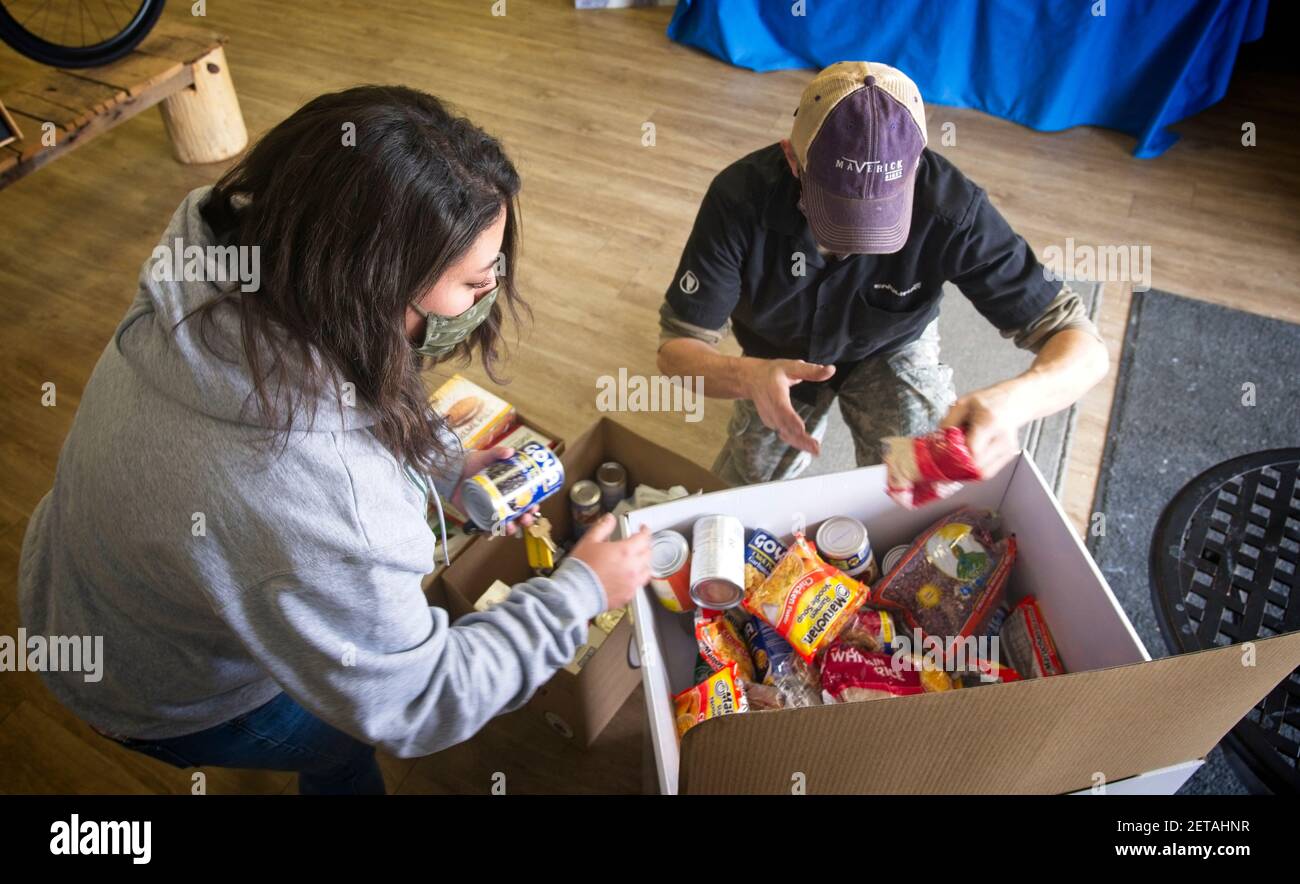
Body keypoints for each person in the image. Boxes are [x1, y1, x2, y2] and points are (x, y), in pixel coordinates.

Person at [18, 85, 651, 794]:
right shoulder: (326, 503)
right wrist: (579, 592)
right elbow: (422, 702)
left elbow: (342, 391)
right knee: (343, 751)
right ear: (374, 290)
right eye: (475, 282)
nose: (489, 294)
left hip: (74, 582)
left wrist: (444, 462)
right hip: (162, 697)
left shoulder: (213, 273)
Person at [656, 62, 1109, 484]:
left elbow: (1082, 346)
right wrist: (748, 377)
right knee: (748, 482)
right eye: (837, 211)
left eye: (880, 212)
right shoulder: (738, 199)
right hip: (775, 355)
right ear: (793, 160)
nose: (855, 241)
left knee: (923, 477)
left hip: (890, 344)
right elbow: (677, 350)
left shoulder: (952, 208)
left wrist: (1013, 402)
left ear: (917, 166)